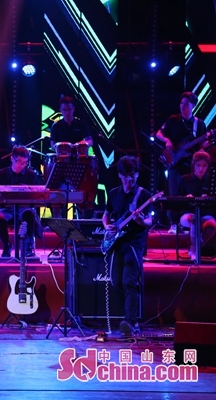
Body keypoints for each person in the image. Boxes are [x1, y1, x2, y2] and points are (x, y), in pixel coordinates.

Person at [102, 156, 153, 337]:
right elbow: (106, 214)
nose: (129, 180)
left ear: (137, 174)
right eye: (126, 176)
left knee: (129, 282)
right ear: (120, 175)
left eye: (133, 175)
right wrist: (106, 226)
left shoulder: (144, 195)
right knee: (116, 283)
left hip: (134, 242)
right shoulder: (113, 193)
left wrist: (141, 220)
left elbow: (150, 220)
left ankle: (131, 322)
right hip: (117, 242)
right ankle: (129, 320)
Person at [156, 92, 211, 234]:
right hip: (174, 163)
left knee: (190, 194)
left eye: (186, 103)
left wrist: (208, 141)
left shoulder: (199, 124)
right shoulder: (173, 120)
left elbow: (202, 145)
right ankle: (173, 224)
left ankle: (188, 223)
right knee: (174, 194)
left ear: (193, 106)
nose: (183, 106)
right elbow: (158, 134)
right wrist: (167, 141)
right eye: (181, 103)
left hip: (191, 164)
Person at [0, 145, 42, 258]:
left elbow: (36, 196)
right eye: (19, 162)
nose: (21, 165)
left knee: (29, 215)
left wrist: (28, 190)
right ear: (12, 158)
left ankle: (27, 247)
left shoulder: (31, 174)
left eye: (24, 163)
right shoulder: (1, 173)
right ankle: (6, 245)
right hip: (7, 207)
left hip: (25, 207)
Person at [177, 150, 216, 261]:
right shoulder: (185, 179)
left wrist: (209, 198)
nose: (201, 169)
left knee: (212, 225)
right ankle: (194, 251)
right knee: (195, 219)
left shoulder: (211, 180)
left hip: (205, 213)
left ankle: (195, 247)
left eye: (204, 166)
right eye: (198, 165)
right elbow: (177, 199)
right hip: (188, 214)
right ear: (193, 165)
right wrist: (186, 198)